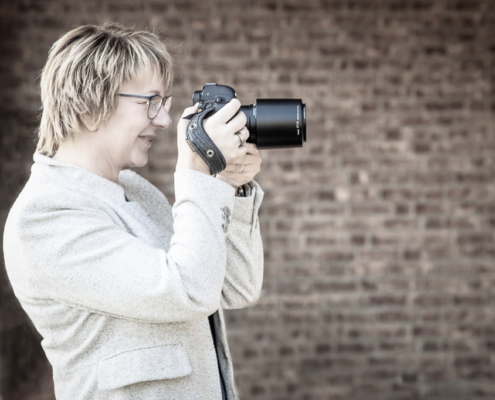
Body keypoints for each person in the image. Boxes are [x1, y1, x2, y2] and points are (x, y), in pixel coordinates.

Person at [3, 23, 263, 400]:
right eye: (150, 102)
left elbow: (235, 286)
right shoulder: (44, 217)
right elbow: (188, 290)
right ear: (90, 107)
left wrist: (228, 185)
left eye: (165, 104)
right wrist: (197, 172)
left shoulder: (137, 193)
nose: (164, 120)